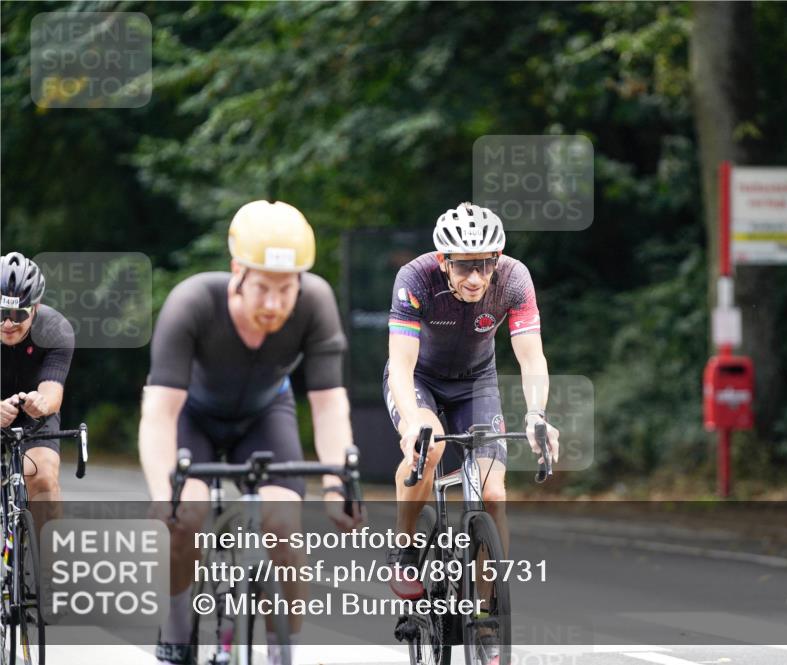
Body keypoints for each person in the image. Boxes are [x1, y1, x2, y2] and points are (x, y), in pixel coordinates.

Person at [138, 200, 361, 665]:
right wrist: (165, 491)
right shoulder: (192, 301)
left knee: (284, 526)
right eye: (262, 288)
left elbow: (328, 405)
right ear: (237, 270)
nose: (275, 304)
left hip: (264, 414)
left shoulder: (316, 303)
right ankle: (177, 637)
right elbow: (159, 410)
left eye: (287, 289)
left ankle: (285, 651)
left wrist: (340, 482)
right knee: (185, 517)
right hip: (191, 416)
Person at [383, 202, 561, 599]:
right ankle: (405, 550)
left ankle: (487, 615)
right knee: (428, 446)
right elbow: (400, 365)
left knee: (493, 494)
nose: (476, 278)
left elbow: (531, 356)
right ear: (444, 261)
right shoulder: (415, 277)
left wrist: (536, 415)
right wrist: (413, 422)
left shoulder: (514, 279)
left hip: (476, 384)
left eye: (485, 264)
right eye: (464, 266)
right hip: (420, 379)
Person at [1, 252, 75, 505]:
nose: (8, 323)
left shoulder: (55, 329)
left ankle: (46, 543)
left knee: (42, 479)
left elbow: (52, 393)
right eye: (1, 312)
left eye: (18, 314)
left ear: (36, 307)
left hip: (35, 416)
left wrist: (41, 403)